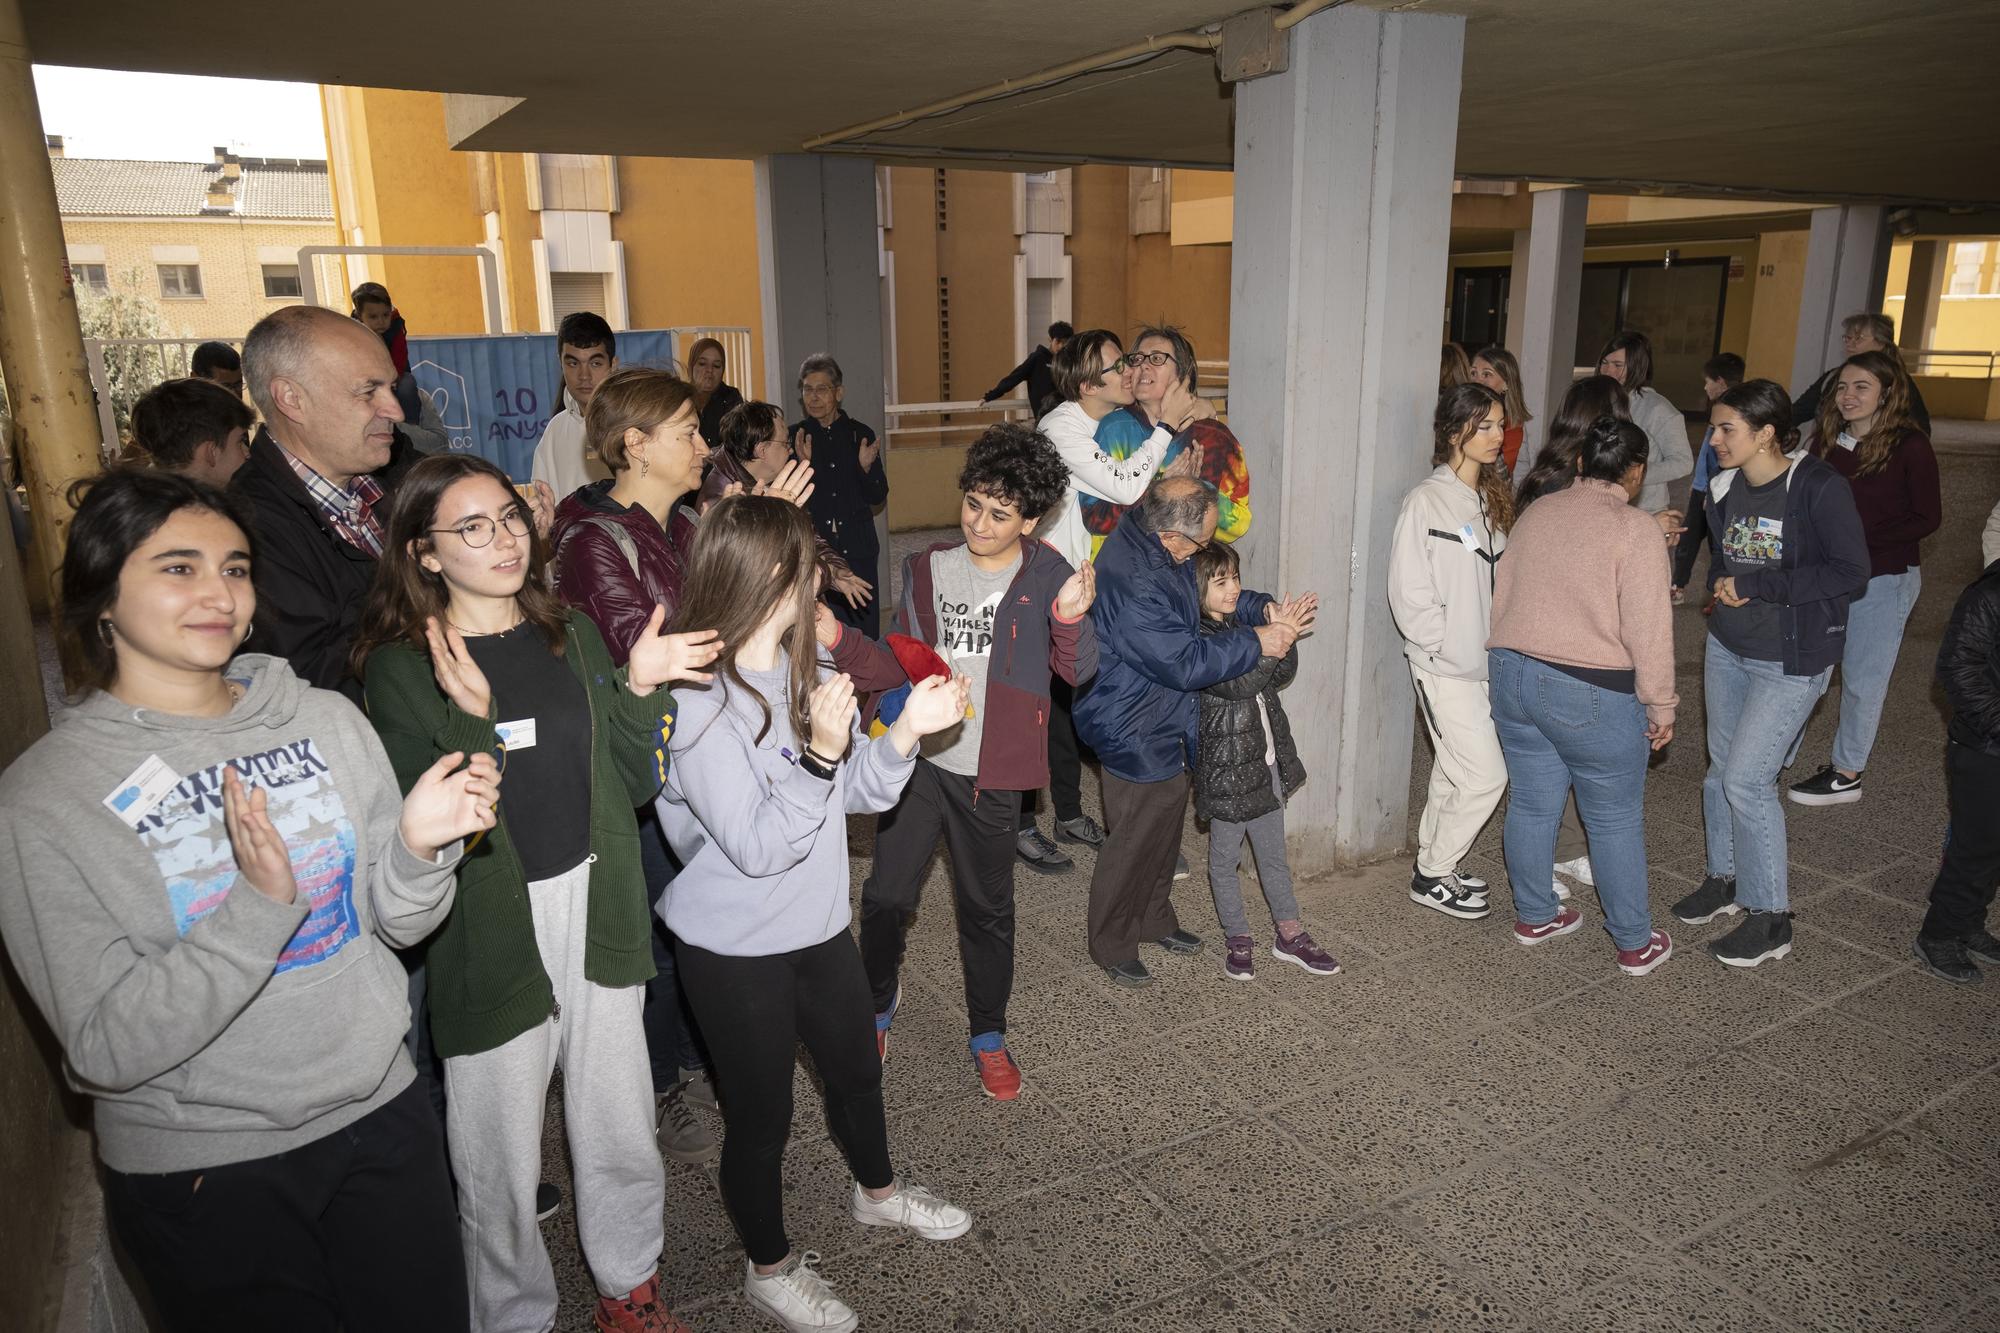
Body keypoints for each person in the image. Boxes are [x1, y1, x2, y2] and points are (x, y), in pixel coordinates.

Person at [0, 468, 495, 1333]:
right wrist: (258, 910)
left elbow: (396, 922)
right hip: (205, 1169)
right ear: (102, 598)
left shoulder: (323, 721)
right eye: (178, 568)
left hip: (380, 1112)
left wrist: (419, 852)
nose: (218, 593)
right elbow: (102, 1045)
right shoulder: (46, 799)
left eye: (234, 568)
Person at [354, 452, 719, 1333]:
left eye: (510, 517)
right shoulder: (401, 668)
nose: (503, 539)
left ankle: (630, 1277)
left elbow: (630, 785)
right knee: (497, 1150)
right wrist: (476, 713)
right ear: (424, 554)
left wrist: (639, 686)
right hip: (490, 920)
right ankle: (511, 1313)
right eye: (471, 527)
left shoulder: (573, 632)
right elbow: (435, 822)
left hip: (597, 900)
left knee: (618, 1111)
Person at [656, 495, 975, 1333]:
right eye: (810, 563)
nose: (824, 579)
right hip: (733, 948)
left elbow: (857, 793)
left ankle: (878, 1194)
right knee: (762, 1121)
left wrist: (906, 733)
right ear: (771, 574)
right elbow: (760, 843)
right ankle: (771, 1267)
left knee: (858, 1074)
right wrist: (818, 755)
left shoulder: (815, 672)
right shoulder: (695, 701)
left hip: (816, 927)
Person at [860, 424, 1098, 1099]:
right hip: (921, 763)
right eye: (973, 504)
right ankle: (876, 1006)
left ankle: (988, 1034)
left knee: (986, 909)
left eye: (1001, 513)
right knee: (884, 897)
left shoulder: (1051, 574)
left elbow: (1077, 672)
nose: (981, 523)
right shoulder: (927, 566)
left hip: (992, 774)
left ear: (1031, 516)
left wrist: (1073, 619)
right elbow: (896, 655)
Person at [547, 368, 721, 1168]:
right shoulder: (594, 543)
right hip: (634, 765)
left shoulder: (682, 524)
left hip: (693, 750)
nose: (704, 445)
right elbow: (641, 656)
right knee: (648, 933)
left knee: (690, 919)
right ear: (636, 445)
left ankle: (690, 1056)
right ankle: (657, 1083)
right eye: (688, 430)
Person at [1072, 476, 1314, 987]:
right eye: (1200, 542)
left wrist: (1257, 608)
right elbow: (1184, 661)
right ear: (1171, 536)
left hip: (1166, 717)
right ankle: (1112, 941)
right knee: (1133, 839)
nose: (1202, 550)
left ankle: (1155, 919)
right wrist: (1258, 641)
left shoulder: (1161, 542)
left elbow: (1208, 590)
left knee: (1164, 830)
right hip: (1131, 723)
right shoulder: (1136, 579)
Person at [1670, 380, 1869, 968]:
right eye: (1713, 427)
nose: (1714, 439)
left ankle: (1771, 916)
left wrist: (1757, 586)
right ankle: (1724, 877)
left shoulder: (1818, 487)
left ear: (1765, 434)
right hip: (1729, 649)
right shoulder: (1725, 488)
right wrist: (1720, 588)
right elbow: (1728, 562)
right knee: (1718, 774)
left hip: (1792, 658)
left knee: (1747, 782)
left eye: (1727, 428)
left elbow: (1850, 572)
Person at [1487, 417, 1678, 976]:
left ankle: (1536, 915)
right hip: (1588, 689)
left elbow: (1504, 596)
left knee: (1532, 799)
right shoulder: (1634, 529)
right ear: (1636, 472)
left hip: (1511, 672)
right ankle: (1635, 942)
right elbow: (1650, 628)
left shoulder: (1538, 512)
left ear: (1578, 463)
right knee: (1614, 818)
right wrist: (1661, 703)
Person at [231, 305, 420, 700]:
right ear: (291, 399)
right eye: (369, 391)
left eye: (391, 387)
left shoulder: (398, 478)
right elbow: (310, 687)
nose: (395, 411)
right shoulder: (246, 533)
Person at [1787, 350, 1942, 807]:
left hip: (1883, 580)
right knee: (1809, 667)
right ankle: (1778, 754)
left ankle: (1847, 772)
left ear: (1886, 394)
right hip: (1827, 576)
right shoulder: (1826, 439)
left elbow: (1927, 517)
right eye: (1841, 387)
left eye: (1861, 387)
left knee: (1862, 679)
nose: (1849, 396)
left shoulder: (1910, 445)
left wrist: (1856, 539)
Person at [1390, 384, 1515, 921]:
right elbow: (1407, 587)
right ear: (1454, 430)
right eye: (1483, 426)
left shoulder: (1489, 499)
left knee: (1454, 769)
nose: (1495, 437)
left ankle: (1434, 866)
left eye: (1499, 426)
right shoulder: (1427, 499)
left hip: (1486, 663)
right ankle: (1435, 873)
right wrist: (1437, 646)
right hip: (1445, 667)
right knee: (1487, 776)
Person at [1191, 541, 1338, 981]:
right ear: (1198, 589)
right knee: (1225, 859)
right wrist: (1275, 641)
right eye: (1221, 581)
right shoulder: (1198, 640)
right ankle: (1237, 936)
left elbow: (1277, 675)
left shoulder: (1242, 623)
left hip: (1266, 761)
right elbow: (1236, 684)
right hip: (1226, 770)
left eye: (1235, 577)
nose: (1233, 587)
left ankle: (1289, 934)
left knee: (1273, 856)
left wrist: (1281, 638)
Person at [696, 398, 874, 615]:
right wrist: (827, 574)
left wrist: (835, 570)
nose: (790, 451)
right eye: (785, 442)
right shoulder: (724, 500)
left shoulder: (766, 484)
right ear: (762, 450)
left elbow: (808, 536)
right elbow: (769, 574)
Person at [1912, 554, 2000, 984]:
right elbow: (1958, 668)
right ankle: (1939, 934)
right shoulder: (1988, 595)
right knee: (1976, 847)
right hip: (1985, 749)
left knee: (1994, 849)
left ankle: (1968, 924)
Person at [791, 352, 888, 637]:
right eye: (807, 389)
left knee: (864, 633)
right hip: (817, 553)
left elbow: (878, 496)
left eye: (822, 389)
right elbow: (790, 503)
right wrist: (802, 464)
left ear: (839, 392)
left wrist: (865, 469)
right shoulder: (795, 436)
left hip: (858, 549)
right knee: (822, 634)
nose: (814, 397)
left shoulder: (861, 435)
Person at [1128, 324, 1250, 545]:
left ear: (1183, 373)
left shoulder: (1213, 437)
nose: (1144, 365)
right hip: (1125, 569)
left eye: (1156, 359)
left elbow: (1239, 522)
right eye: (1137, 358)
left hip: (1191, 570)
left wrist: (1195, 490)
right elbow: (1097, 517)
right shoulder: (1114, 429)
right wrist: (1162, 489)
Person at [1671, 353, 1745, 609]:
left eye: (1707, 381)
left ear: (1721, 382)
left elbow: (1720, 459)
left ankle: (1718, 592)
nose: (1705, 387)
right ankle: (1677, 585)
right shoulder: (1718, 411)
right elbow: (1706, 451)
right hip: (1704, 486)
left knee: (1718, 543)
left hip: (1716, 489)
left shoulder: (1731, 414)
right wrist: (1698, 482)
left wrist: (1712, 491)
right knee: (1688, 537)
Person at [1596, 331, 1693, 515]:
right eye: (1604, 363)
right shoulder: (1596, 400)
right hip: (1602, 506)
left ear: (1636, 368)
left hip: (1645, 510)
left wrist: (1634, 475)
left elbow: (1683, 463)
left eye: (1618, 365)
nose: (1608, 371)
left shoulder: (1658, 409)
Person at [1793, 313, 1932, 437]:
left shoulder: (1898, 382)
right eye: (1847, 338)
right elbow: (1797, 412)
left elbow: (1920, 430)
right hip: (1831, 454)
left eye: (1858, 338)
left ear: (1881, 342)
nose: (1850, 344)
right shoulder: (1832, 377)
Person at [531, 312, 620, 501]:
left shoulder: (633, 423)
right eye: (573, 363)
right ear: (560, 364)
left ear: (613, 365)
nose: (584, 375)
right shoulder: (555, 430)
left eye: (595, 363)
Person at [130, 376, 254, 488]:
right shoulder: (203, 511)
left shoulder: (147, 503)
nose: (247, 453)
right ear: (212, 452)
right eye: (240, 441)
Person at [980, 320, 1071, 420]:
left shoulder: (1066, 362)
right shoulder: (1037, 358)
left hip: (1064, 415)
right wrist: (990, 396)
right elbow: (1014, 378)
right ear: (1050, 339)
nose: (1060, 346)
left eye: (1064, 343)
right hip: (1044, 418)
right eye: (1058, 342)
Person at [1469, 345, 1533, 475]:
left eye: (1486, 374)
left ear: (1506, 383)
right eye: (1474, 373)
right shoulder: (1460, 415)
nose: (1477, 380)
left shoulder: (1515, 425)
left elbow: (1521, 475)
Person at [686, 336, 745, 446]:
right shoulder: (681, 398)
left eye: (716, 366)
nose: (709, 370)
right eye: (702, 364)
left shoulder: (730, 397)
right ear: (691, 366)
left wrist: (712, 454)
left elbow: (737, 441)